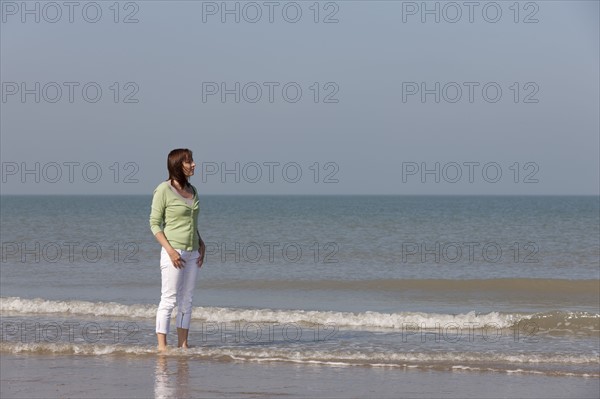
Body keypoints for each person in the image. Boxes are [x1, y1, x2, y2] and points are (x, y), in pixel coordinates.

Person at [149, 148, 205, 351]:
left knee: (187, 300)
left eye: (192, 160)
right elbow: (154, 224)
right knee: (169, 299)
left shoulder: (193, 190)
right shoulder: (163, 190)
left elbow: (191, 222)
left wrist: (201, 243)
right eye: (189, 161)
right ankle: (162, 346)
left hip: (193, 252)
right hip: (174, 252)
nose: (193, 165)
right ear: (177, 165)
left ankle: (183, 344)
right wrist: (171, 251)